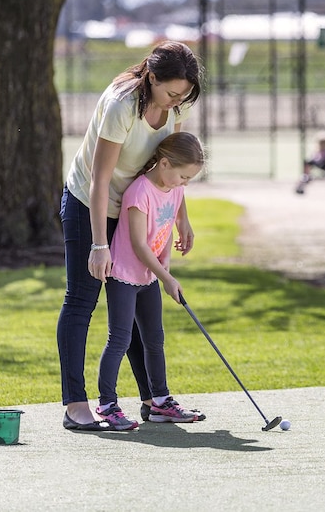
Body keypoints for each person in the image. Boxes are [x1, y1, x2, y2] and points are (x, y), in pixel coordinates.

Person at [57, 40, 204, 431]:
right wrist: (99, 244)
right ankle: (76, 404)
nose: (177, 101)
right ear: (152, 77)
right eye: (171, 92)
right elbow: (101, 178)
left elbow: (172, 163)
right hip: (90, 203)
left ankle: (154, 401)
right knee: (81, 300)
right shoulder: (123, 105)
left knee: (135, 296)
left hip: (131, 207)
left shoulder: (176, 105)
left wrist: (181, 219)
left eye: (184, 95)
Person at [96, 132, 207, 429]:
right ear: (165, 163)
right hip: (124, 274)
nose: (183, 184)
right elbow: (138, 244)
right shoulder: (139, 192)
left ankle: (160, 402)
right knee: (119, 339)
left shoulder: (174, 190)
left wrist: (166, 262)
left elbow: (165, 229)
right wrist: (166, 277)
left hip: (148, 276)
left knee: (154, 340)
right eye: (182, 176)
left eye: (188, 180)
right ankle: (107, 405)